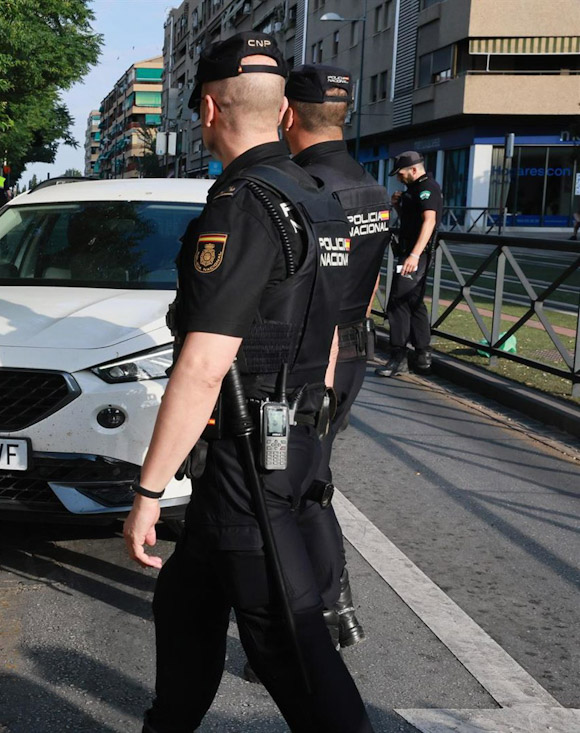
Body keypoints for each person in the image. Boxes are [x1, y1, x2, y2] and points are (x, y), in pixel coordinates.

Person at [122, 33, 373, 733]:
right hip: (287, 443)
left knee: (290, 645)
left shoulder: (242, 205)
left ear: (207, 107)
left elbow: (202, 365)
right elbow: (329, 336)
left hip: (246, 464)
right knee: (186, 605)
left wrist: (147, 492)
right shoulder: (315, 194)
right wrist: (308, 434)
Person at [281, 64, 394, 649]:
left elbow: (310, 293)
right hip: (352, 350)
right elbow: (367, 284)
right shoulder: (373, 188)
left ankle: (315, 620)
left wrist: (313, 384)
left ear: (288, 113)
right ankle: (332, 610)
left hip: (311, 358)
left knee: (293, 491)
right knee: (312, 481)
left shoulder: (304, 188)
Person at [377, 150, 441, 377]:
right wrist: (398, 206)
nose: (398, 178)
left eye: (401, 174)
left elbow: (429, 221)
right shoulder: (414, 189)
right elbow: (412, 220)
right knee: (413, 302)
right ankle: (423, 354)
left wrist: (414, 255)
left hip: (415, 255)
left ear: (414, 169)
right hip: (410, 251)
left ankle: (398, 358)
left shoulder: (427, 188)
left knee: (397, 302)